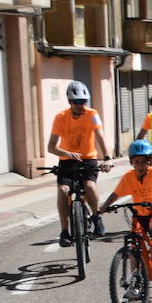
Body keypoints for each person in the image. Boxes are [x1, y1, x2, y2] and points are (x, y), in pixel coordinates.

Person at [48, 80, 110, 245]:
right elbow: (51, 147)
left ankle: (96, 217)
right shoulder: (60, 118)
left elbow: (100, 136)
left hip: (88, 158)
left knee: (89, 186)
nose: (81, 105)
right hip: (67, 161)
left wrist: (107, 158)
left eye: (84, 101)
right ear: (70, 101)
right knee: (63, 190)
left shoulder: (92, 114)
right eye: (77, 102)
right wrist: (67, 153)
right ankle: (64, 231)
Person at [98, 140, 152, 263]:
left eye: (144, 162)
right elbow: (116, 194)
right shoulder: (128, 177)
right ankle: (135, 278)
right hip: (141, 212)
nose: (140, 166)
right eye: (137, 162)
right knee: (134, 245)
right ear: (131, 162)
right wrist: (105, 206)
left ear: (149, 162)